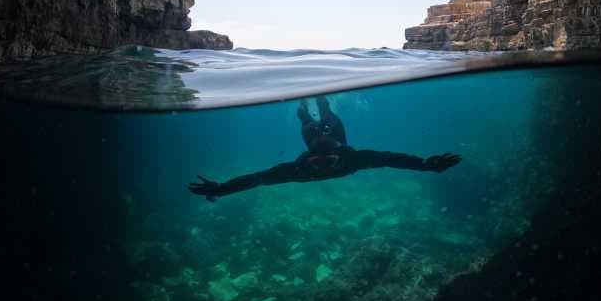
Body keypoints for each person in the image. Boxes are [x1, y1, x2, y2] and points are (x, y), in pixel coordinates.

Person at [189, 96, 461, 201]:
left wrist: (426, 165)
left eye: (326, 158)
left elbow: (390, 158)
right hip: (319, 137)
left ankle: (321, 100)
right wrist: (222, 190)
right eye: (320, 160)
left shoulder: (347, 158)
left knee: (326, 115)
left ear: (337, 152)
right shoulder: (302, 168)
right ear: (310, 157)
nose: (324, 165)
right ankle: (304, 107)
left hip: (333, 134)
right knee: (305, 120)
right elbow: (258, 179)